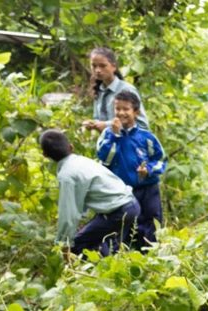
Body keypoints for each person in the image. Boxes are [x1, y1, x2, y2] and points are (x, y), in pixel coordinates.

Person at [39, 129, 140, 257]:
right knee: (107, 248)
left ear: (45, 155)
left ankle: (89, 271)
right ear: (71, 147)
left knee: (77, 245)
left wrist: (64, 245)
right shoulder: (81, 161)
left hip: (118, 212)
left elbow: (69, 215)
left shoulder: (67, 175)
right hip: (131, 204)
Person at [95, 90, 167, 251]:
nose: (121, 113)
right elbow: (104, 158)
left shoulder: (146, 137)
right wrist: (115, 136)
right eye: (117, 108)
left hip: (148, 190)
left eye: (126, 109)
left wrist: (148, 170)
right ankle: (119, 259)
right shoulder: (107, 135)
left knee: (151, 227)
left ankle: (151, 258)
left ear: (136, 112)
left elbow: (160, 159)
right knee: (121, 228)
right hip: (120, 191)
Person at [82, 47, 148, 133]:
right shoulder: (100, 90)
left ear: (114, 67)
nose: (97, 70)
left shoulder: (126, 90)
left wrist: (106, 125)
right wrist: (93, 124)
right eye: (94, 66)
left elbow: (142, 124)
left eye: (103, 66)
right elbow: (99, 120)